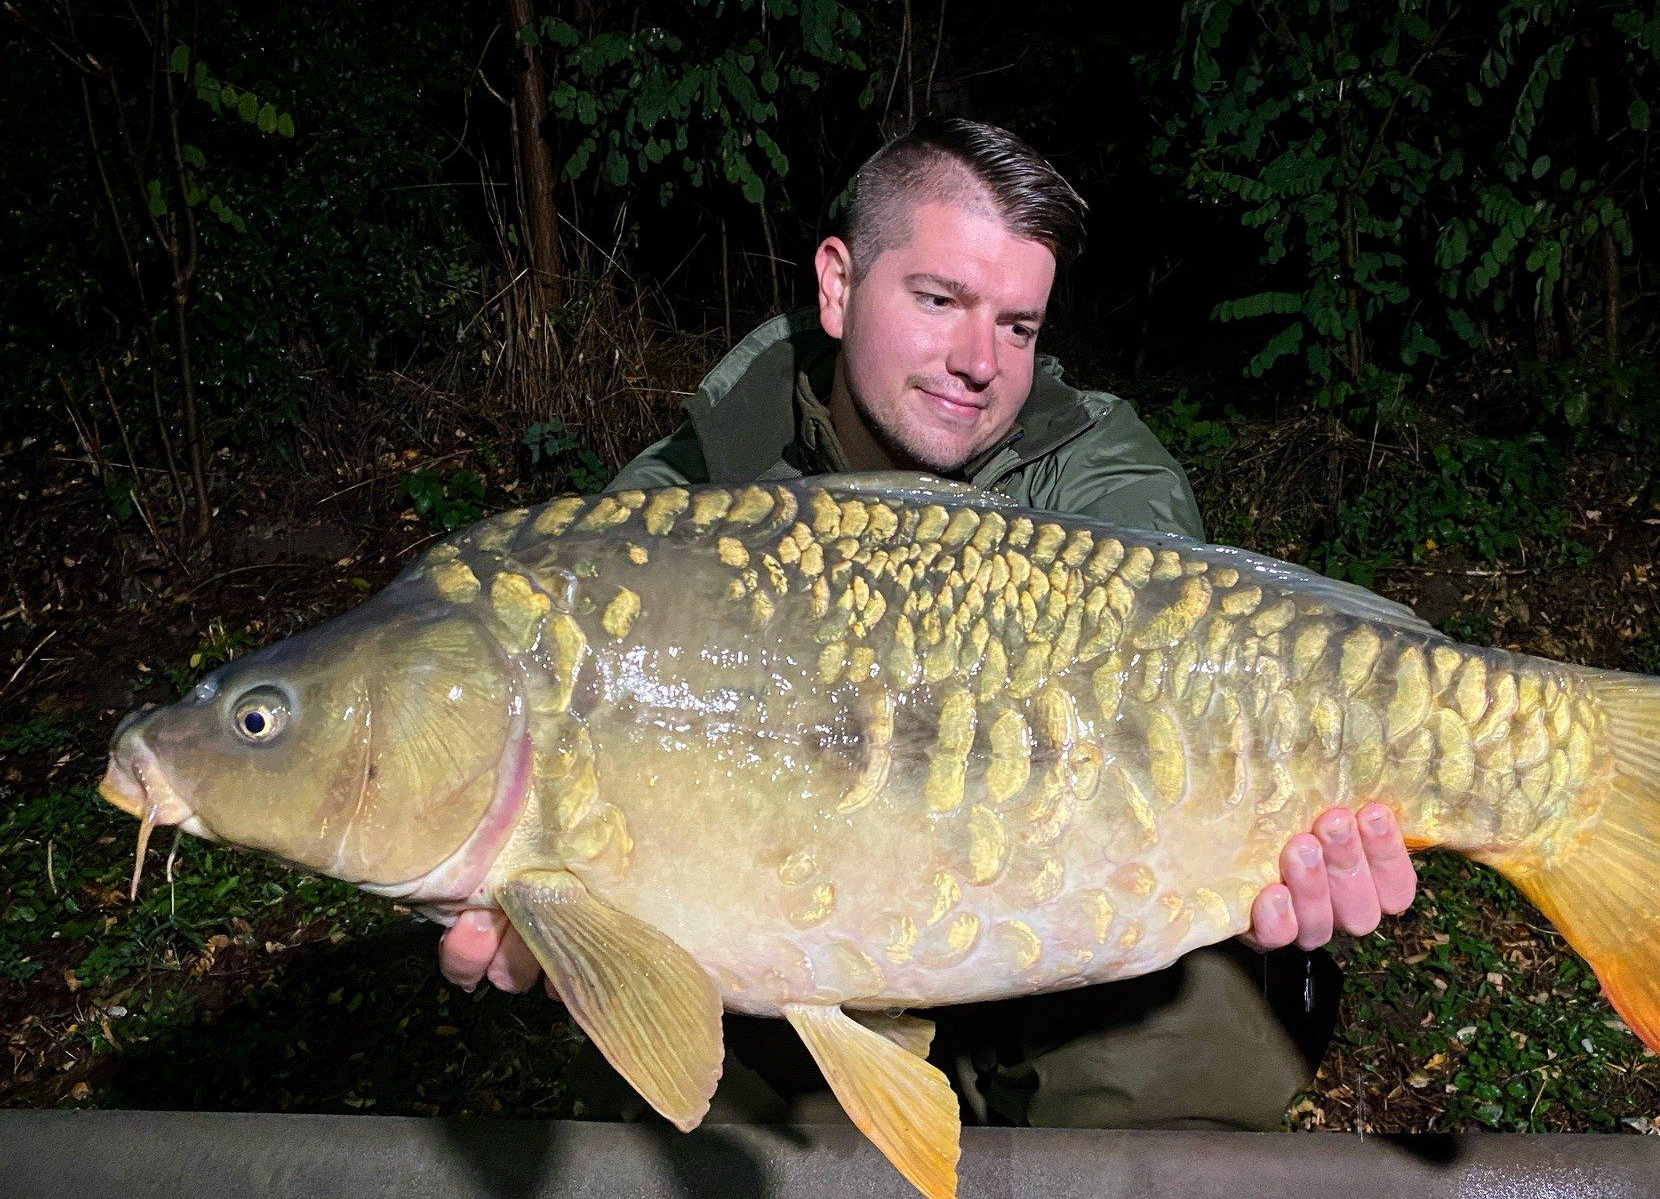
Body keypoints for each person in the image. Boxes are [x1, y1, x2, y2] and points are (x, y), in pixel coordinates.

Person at [440, 117, 1420, 1130]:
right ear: (837, 285)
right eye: (940, 300)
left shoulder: (1103, 482)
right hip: (789, 950)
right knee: (671, 1114)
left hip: (1051, 937)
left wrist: (1272, 859)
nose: (979, 361)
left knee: (1194, 1044)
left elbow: (1179, 735)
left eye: (1018, 327)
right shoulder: (671, 518)